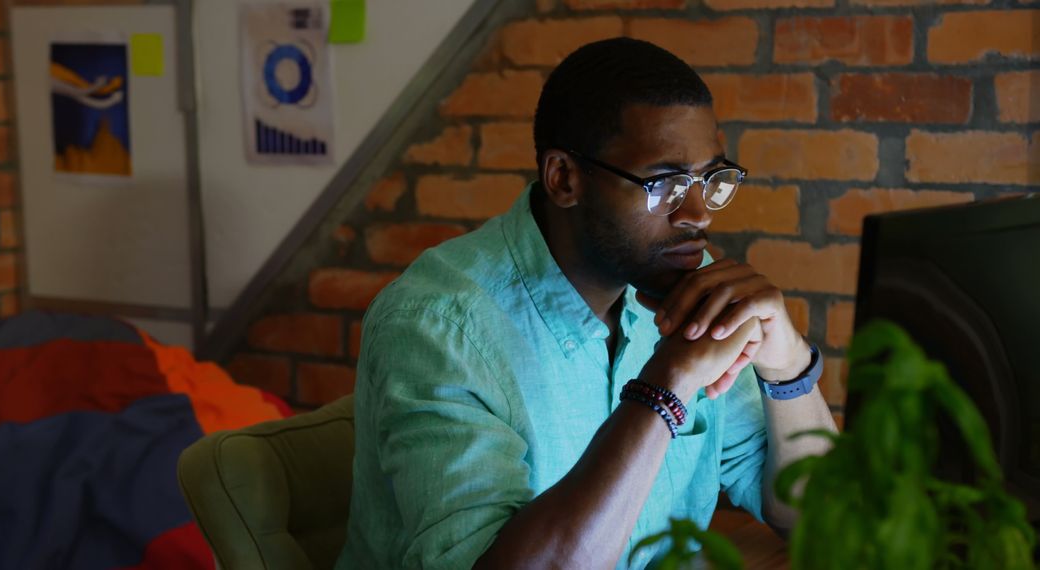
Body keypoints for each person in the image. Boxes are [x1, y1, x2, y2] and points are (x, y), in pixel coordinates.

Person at [335, 37, 837, 570]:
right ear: (564, 178)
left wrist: (787, 367)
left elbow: (823, 521)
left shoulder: (689, 286)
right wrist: (666, 387)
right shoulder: (438, 325)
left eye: (709, 178)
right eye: (664, 182)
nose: (698, 213)